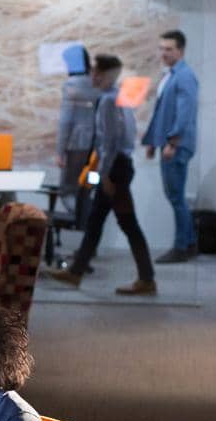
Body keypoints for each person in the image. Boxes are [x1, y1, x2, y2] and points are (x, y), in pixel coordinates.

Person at [43, 54, 156, 295]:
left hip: (114, 170)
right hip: (118, 167)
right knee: (95, 221)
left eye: (96, 72)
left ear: (106, 75)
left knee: (128, 223)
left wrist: (104, 176)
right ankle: (76, 271)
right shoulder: (118, 98)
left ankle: (147, 279)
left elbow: (110, 143)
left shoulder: (107, 101)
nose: (91, 76)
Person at [142, 29, 200, 263]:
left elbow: (185, 112)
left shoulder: (184, 76)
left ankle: (182, 246)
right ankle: (189, 243)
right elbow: (162, 112)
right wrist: (153, 142)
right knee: (175, 196)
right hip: (168, 144)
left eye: (169, 49)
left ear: (181, 50)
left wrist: (172, 142)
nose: (164, 53)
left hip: (176, 145)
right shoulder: (172, 75)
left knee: (176, 198)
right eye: (162, 48)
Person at [55, 45, 101, 213]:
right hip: (94, 143)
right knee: (87, 185)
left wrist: (59, 151)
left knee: (67, 190)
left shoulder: (71, 84)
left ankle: (81, 218)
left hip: (75, 143)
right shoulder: (95, 83)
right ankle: (87, 217)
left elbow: (66, 121)